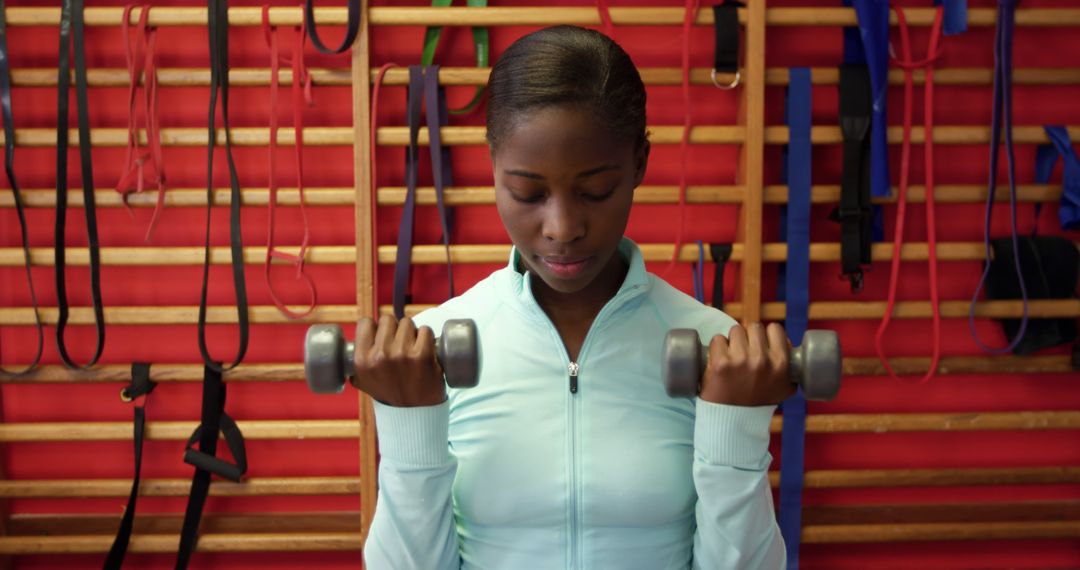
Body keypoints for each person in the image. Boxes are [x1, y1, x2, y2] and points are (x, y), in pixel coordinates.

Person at [358, 25, 791, 569]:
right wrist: (410, 426)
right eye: (528, 193)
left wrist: (737, 434)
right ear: (494, 168)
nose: (562, 227)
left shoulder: (714, 349)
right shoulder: (431, 352)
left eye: (595, 191)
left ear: (639, 164)